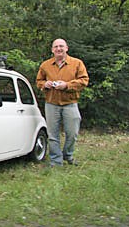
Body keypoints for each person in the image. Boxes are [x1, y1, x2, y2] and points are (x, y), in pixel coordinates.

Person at [36, 38, 89, 167]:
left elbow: (84, 80)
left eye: (61, 46)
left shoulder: (77, 63)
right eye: (56, 47)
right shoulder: (45, 65)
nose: (58, 49)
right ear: (52, 50)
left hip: (70, 103)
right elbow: (39, 82)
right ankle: (56, 161)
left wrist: (67, 85)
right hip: (51, 104)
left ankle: (68, 155)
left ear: (66, 48)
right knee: (53, 134)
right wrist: (45, 84)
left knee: (72, 133)